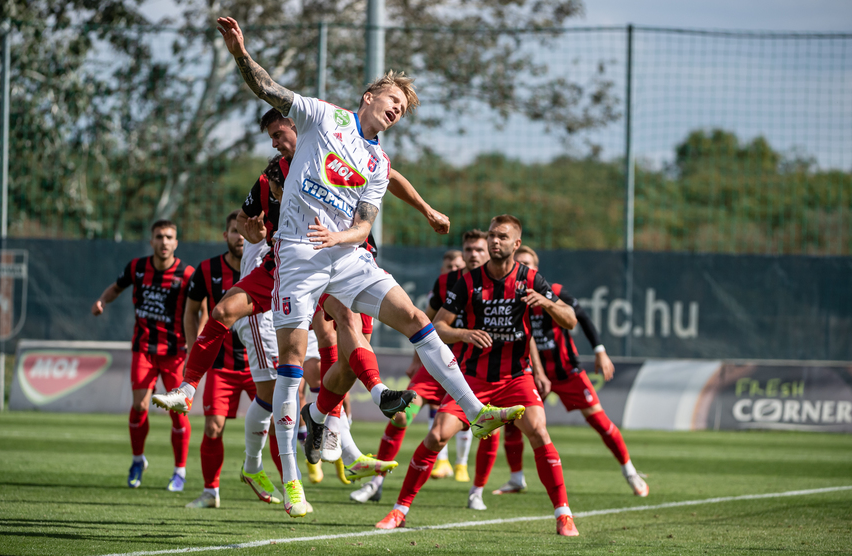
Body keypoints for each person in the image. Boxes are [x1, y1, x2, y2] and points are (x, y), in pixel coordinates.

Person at [211, 15, 524, 518]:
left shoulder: (378, 162)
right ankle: (292, 481)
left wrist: (342, 237)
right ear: (369, 96)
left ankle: (475, 410)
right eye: (392, 101)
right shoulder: (322, 117)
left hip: (346, 255)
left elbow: (363, 226)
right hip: (298, 256)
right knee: (292, 366)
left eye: (402, 109)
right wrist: (240, 54)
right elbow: (268, 88)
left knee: (416, 319)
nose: (396, 111)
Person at [153, 106, 445, 516]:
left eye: (278, 133)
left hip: (332, 263)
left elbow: (388, 175)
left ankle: (338, 428)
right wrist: (253, 230)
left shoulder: (333, 152)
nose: (275, 143)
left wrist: (426, 209)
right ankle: (193, 395)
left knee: (337, 344)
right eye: (271, 138)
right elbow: (245, 220)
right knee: (227, 318)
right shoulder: (270, 174)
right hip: (283, 269)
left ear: (298, 125)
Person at [376, 215, 580, 537]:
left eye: (502, 236)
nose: (494, 241)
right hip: (472, 378)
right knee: (436, 436)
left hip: (516, 377)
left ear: (516, 243)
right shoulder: (468, 281)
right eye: (491, 235)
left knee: (539, 432)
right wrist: (464, 334)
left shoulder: (531, 279)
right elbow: (439, 326)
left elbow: (570, 320)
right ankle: (399, 510)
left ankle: (563, 514)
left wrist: (547, 303)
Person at [489, 245, 648, 498]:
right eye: (519, 263)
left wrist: (599, 350)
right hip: (529, 372)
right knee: (513, 421)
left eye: (527, 263)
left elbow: (580, 316)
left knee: (599, 421)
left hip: (565, 370)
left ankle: (630, 472)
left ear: (536, 269)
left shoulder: (554, 291)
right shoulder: (507, 297)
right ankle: (516, 478)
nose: (523, 267)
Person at [351, 233, 485, 503]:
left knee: (484, 423)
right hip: (437, 364)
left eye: (479, 250)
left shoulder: (499, 285)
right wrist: (416, 361)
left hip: (474, 370)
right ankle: (376, 482)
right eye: (469, 249)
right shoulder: (446, 282)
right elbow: (425, 325)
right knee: (400, 416)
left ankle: (477, 492)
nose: (473, 254)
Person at [91, 220, 196, 491]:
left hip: (175, 352)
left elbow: (201, 307)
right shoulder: (137, 268)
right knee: (139, 407)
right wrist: (102, 301)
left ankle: (179, 472)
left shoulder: (187, 274)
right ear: (151, 241)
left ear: (176, 242)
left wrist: (196, 342)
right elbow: (116, 287)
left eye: (169, 237)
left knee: (178, 413)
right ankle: (138, 460)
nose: (164, 242)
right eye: (159, 236)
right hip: (144, 349)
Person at [181, 211, 256, 508]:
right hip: (221, 366)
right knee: (212, 428)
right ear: (226, 235)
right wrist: (194, 350)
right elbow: (190, 312)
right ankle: (211, 492)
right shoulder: (207, 269)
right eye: (234, 231)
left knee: (278, 424)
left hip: (259, 365)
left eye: (244, 230)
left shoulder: (265, 265)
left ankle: (291, 486)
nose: (240, 236)